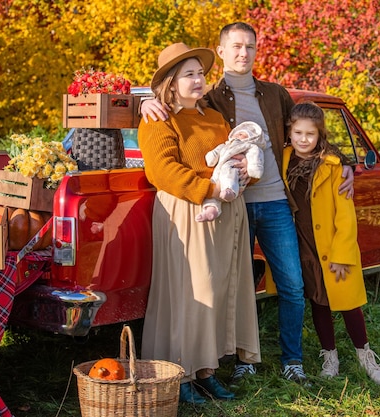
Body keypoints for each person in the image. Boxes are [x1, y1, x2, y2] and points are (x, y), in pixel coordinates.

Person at [141, 22, 355, 384]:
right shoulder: (209, 98)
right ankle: (228, 362)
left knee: (285, 284)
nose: (244, 53)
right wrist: (146, 102)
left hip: (266, 202)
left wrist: (342, 162)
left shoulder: (272, 95)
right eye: (236, 46)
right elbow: (168, 126)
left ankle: (289, 360)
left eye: (251, 47)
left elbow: (308, 132)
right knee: (224, 287)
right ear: (222, 51)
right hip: (215, 206)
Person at [138, 42, 261, 404]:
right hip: (187, 210)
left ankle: (207, 371)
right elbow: (163, 171)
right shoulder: (159, 119)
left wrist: (242, 176)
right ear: (171, 82)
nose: (198, 80)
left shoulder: (214, 117)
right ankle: (182, 373)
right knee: (193, 293)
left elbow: (236, 156)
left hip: (225, 210)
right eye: (189, 74)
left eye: (201, 74)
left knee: (220, 291)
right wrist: (212, 188)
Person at [282, 102, 380, 385]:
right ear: (289, 132)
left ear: (320, 136)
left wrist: (342, 254)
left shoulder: (333, 167)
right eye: (298, 133)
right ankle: (330, 357)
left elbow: (346, 216)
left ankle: (365, 356)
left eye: (310, 134)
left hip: (333, 247)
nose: (303, 139)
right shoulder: (282, 160)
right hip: (303, 246)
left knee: (348, 303)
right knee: (318, 302)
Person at [196, 121, 265, 222]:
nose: (238, 135)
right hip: (218, 170)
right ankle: (211, 210)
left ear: (250, 138)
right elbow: (216, 152)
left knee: (230, 173)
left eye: (242, 134)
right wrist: (211, 158)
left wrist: (253, 169)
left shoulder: (249, 146)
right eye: (237, 133)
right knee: (213, 184)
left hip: (235, 167)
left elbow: (255, 155)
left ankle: (230, 190)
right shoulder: (225, 145)